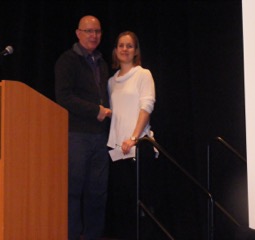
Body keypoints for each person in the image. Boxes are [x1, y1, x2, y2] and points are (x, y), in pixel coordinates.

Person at [54, 15, 111, 240]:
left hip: (100, 137)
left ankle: (93, 237)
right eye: (88, 31)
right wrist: (95, 110)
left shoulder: (103, 62)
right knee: (73, 192)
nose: (93, 35)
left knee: (98, 193)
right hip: (75, 135)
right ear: (78, 33)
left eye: (97, 31)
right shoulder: (67, 60)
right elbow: (64, 97)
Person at [106, 31, 157, 239]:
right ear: (116, 50)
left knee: (140, 204)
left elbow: (147, 106)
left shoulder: (143, 74)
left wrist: (134, 138)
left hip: (137, 147)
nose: (124, 49)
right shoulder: (111, 81)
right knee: (121, 206)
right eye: (121, 45)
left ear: (136, 51)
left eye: (129, 46)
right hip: (117, 150)